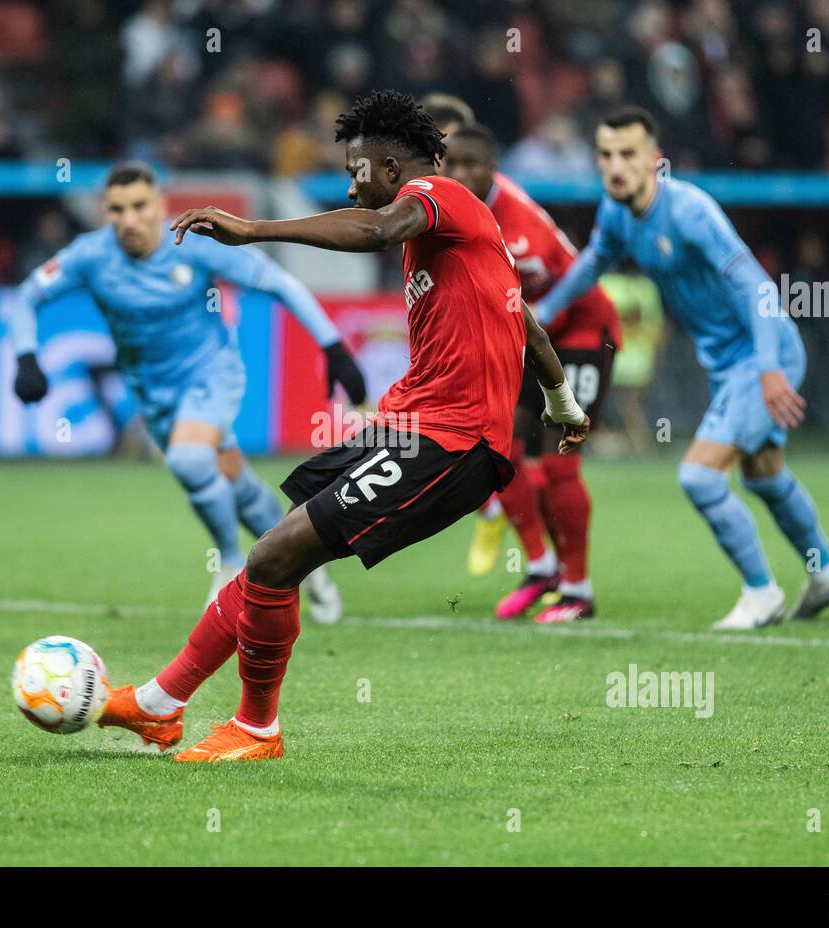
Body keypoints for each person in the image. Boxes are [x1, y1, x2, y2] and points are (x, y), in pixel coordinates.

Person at [96, 90, 589, 761]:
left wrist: (256, 229)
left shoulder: (433, 195)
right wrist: (561, 401)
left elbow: (377, 230)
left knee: (274, 555)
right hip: (413, 424)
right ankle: (162, 703)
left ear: (390, 168)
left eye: (357, 169)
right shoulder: (463, 235)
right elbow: (523, 319)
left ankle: (249, 727)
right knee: (276, 549)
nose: (352, 182)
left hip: (451, 440)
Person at [536, 106, 829, 628]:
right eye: (606, 155)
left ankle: (762, 594)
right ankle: (828, 572)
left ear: (654, 161)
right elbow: (593, 261)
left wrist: (769, 369)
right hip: (730, 365)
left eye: (628, 155)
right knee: (764, 477)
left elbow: (757, 287)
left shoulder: (690, 213)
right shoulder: (616, 213)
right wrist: (543, 314)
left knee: (699, 477)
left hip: (763, 352)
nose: (615, 166)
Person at [5, 162, 365, 620]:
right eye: (117, 209)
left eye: (139, 206)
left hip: (211, 374)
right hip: (153, 393)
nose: (129, 219)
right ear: (104, 212)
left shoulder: (193, 248)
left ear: (160, 206)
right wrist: (26, 357)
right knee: (231, 477)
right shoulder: (89, 256)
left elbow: (279, 282)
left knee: (189, 460)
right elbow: (27, 297)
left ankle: (231, 563)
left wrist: (333, 347)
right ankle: (305, 564)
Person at [444, 123, 622, 622]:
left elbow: (544, 304)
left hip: (581, 331)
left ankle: (578, 591)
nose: (459, 174)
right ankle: (542, 566)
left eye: (470, 164)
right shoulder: (459, 212)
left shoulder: (517, 229)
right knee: (497, 451)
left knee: (560, 462)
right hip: (530, 337)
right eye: (450, 164)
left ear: (492, 166)